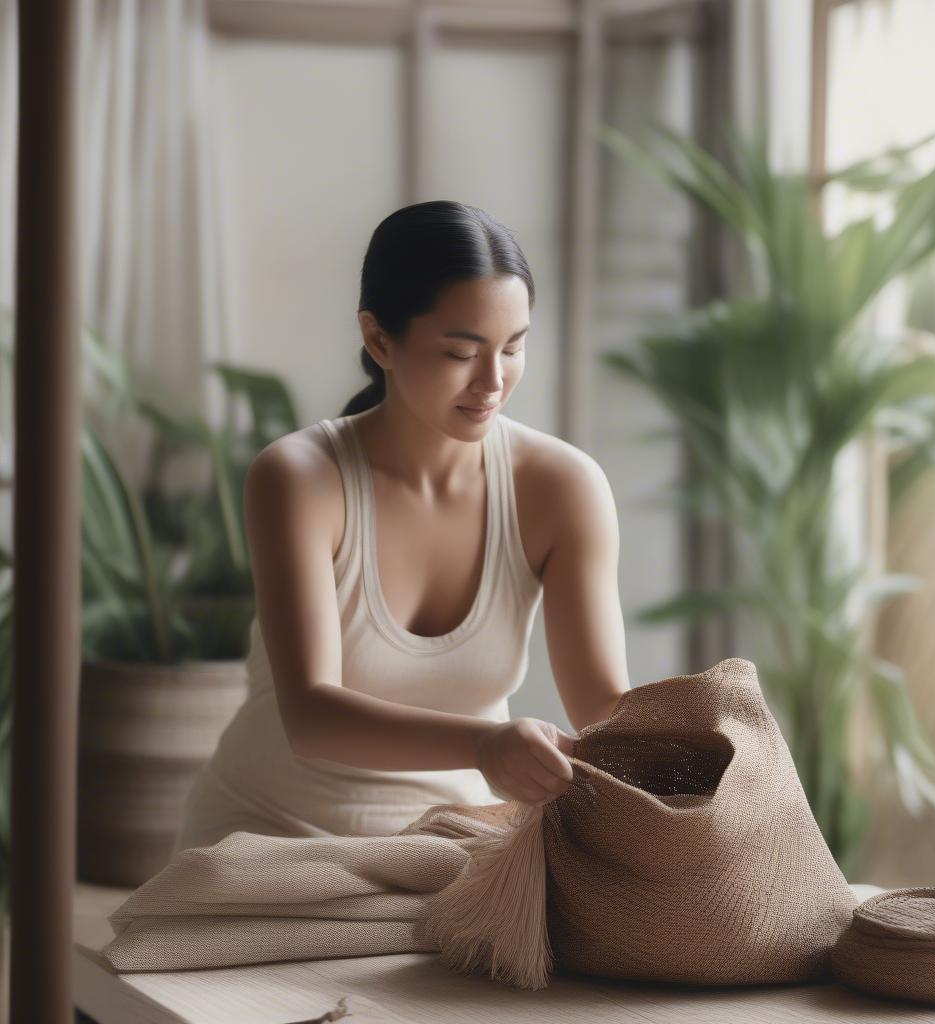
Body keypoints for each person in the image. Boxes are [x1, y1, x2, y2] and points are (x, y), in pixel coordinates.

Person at [173, 200, 631, 852]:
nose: (493, 381)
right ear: (378, 339)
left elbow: (602, 705)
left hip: (454, 845)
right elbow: (310, 713)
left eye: (514, 348)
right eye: (460, 352)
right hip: (266, 839)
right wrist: (483, 743)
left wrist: (700, 744)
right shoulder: (301, 478)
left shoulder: (562, 487)